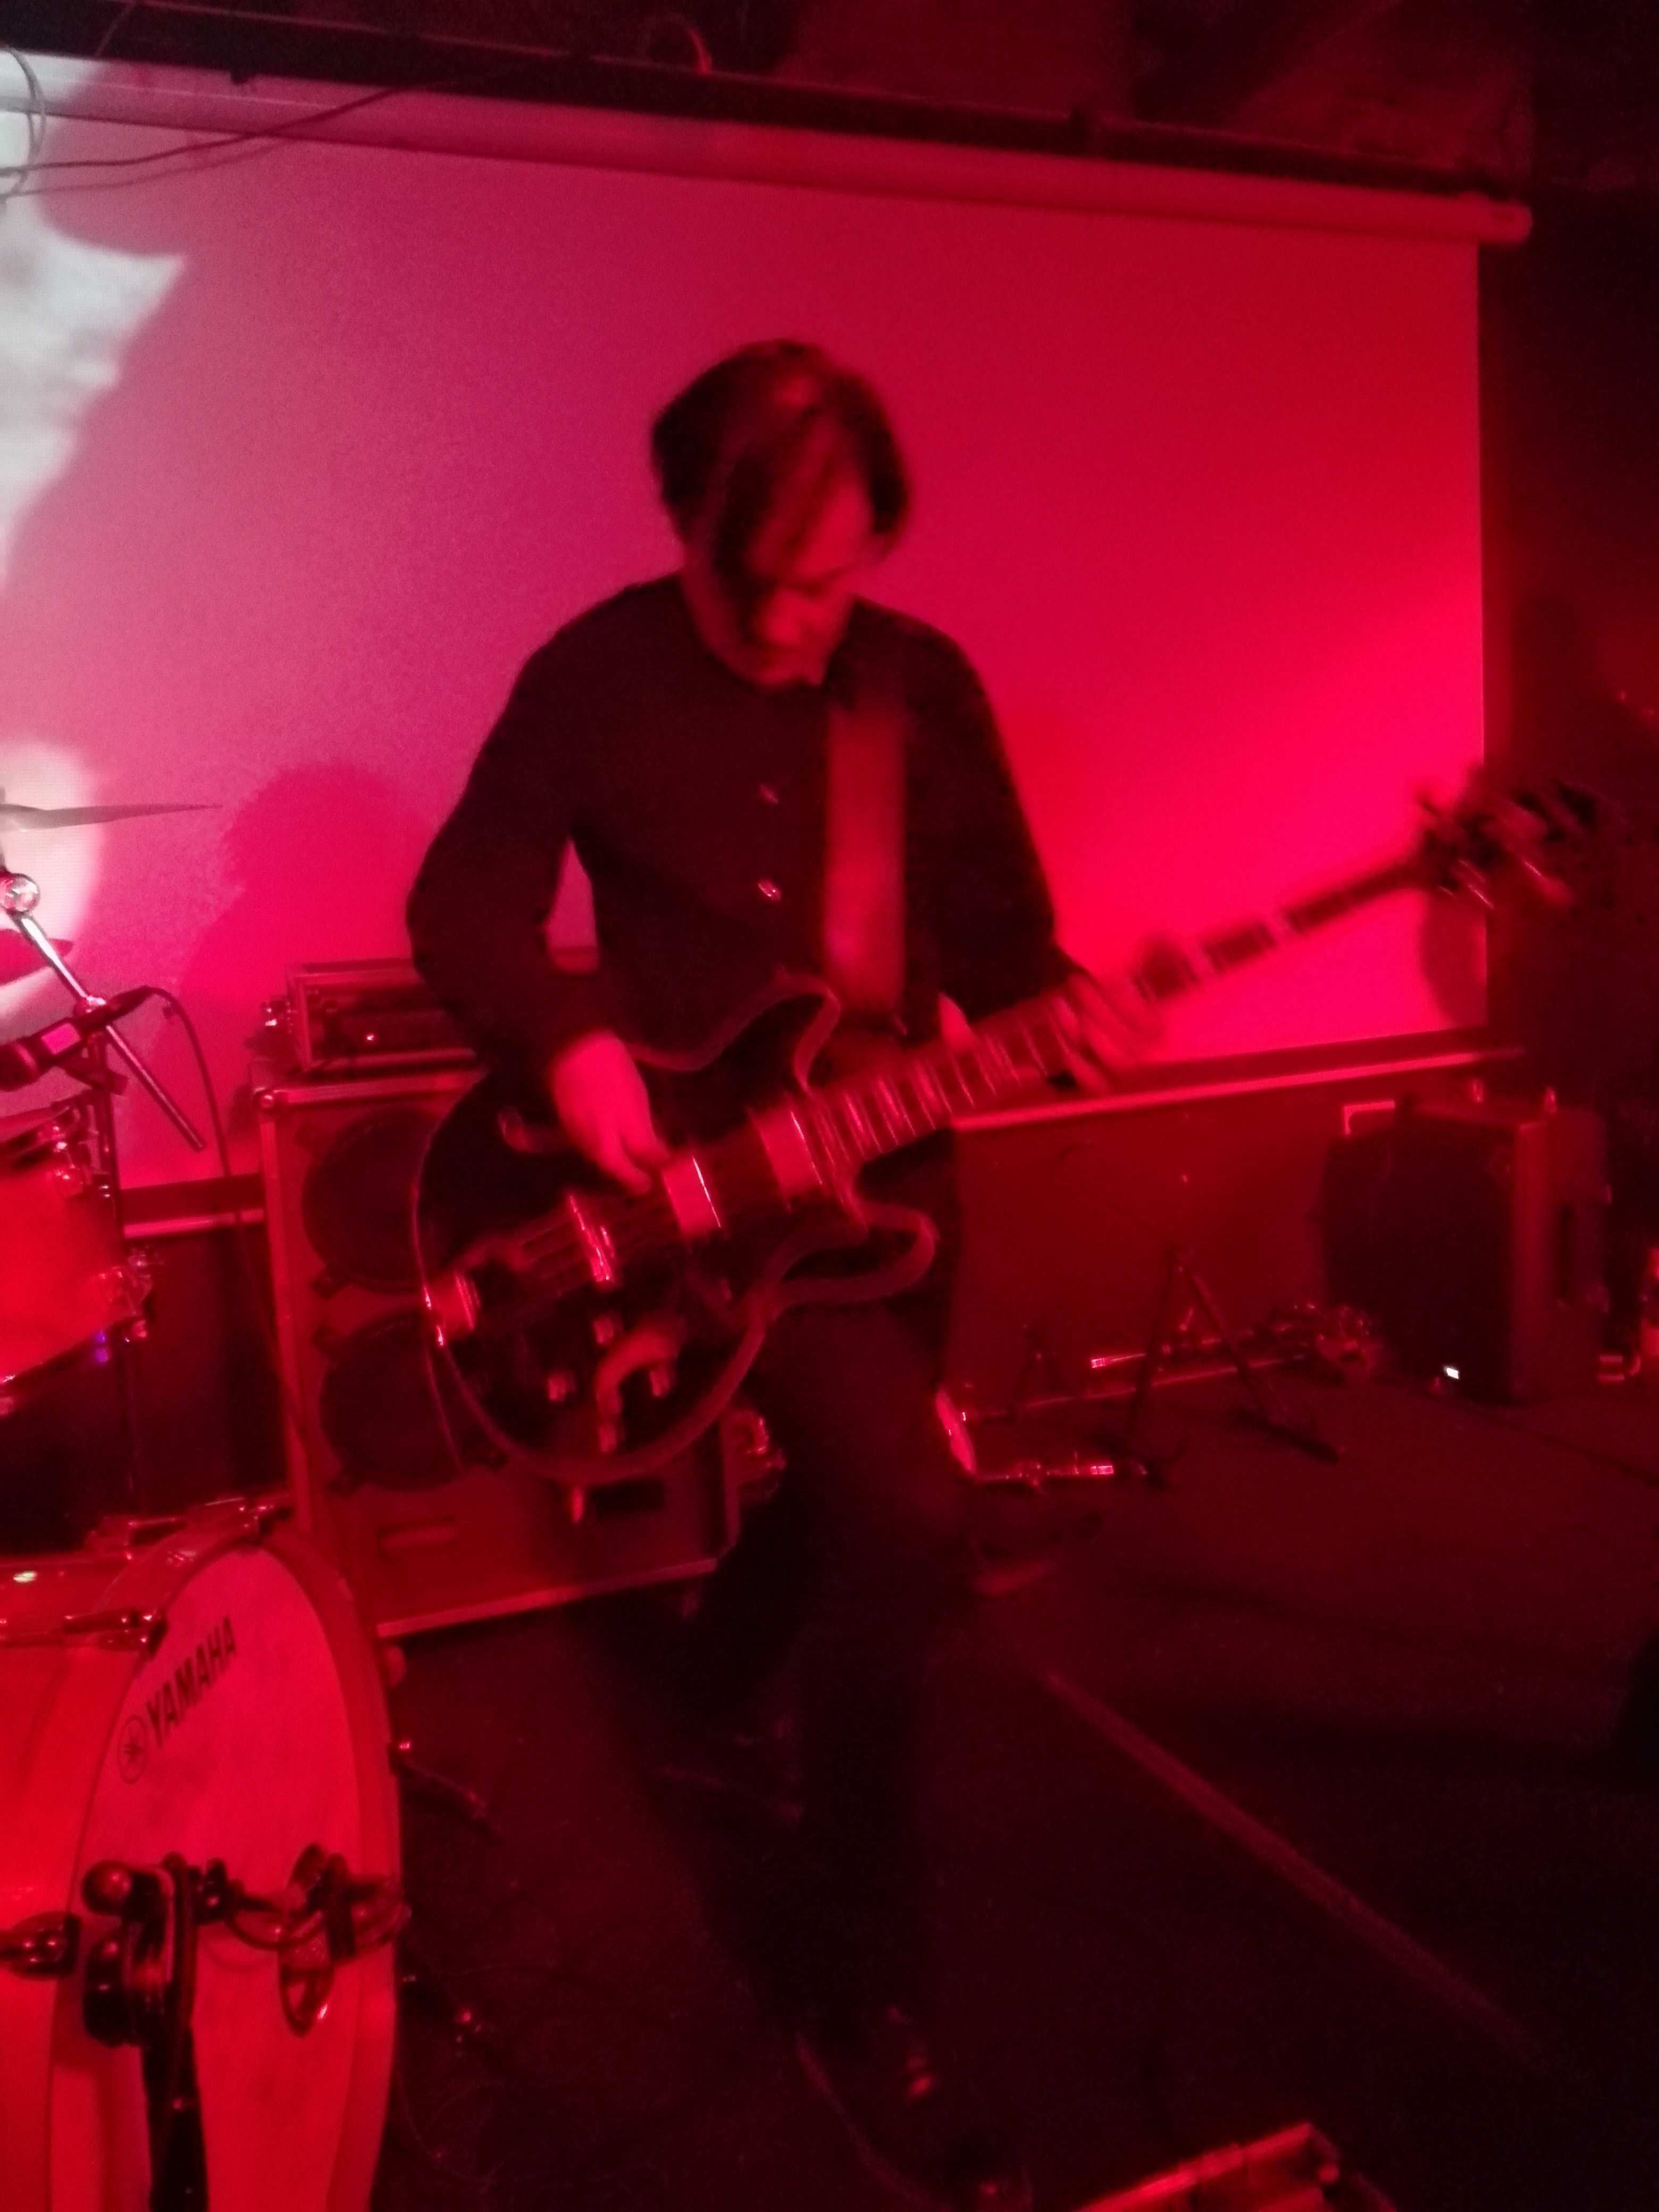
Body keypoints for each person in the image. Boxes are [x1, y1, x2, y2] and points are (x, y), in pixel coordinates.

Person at [407, 340, 1132, 2212]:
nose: (819, 621)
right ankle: (866, 1983)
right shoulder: (596, 675)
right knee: (910, 1528)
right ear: (690, 527)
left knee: (848, 1495)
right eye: (782, 586)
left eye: (847, 575)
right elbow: (463, 902)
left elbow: (1007, 944)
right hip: (701, 1202)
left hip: (893, 1189)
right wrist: (565, 1039)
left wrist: (1064, 1014)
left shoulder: (917, 684)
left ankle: (719, 1684)